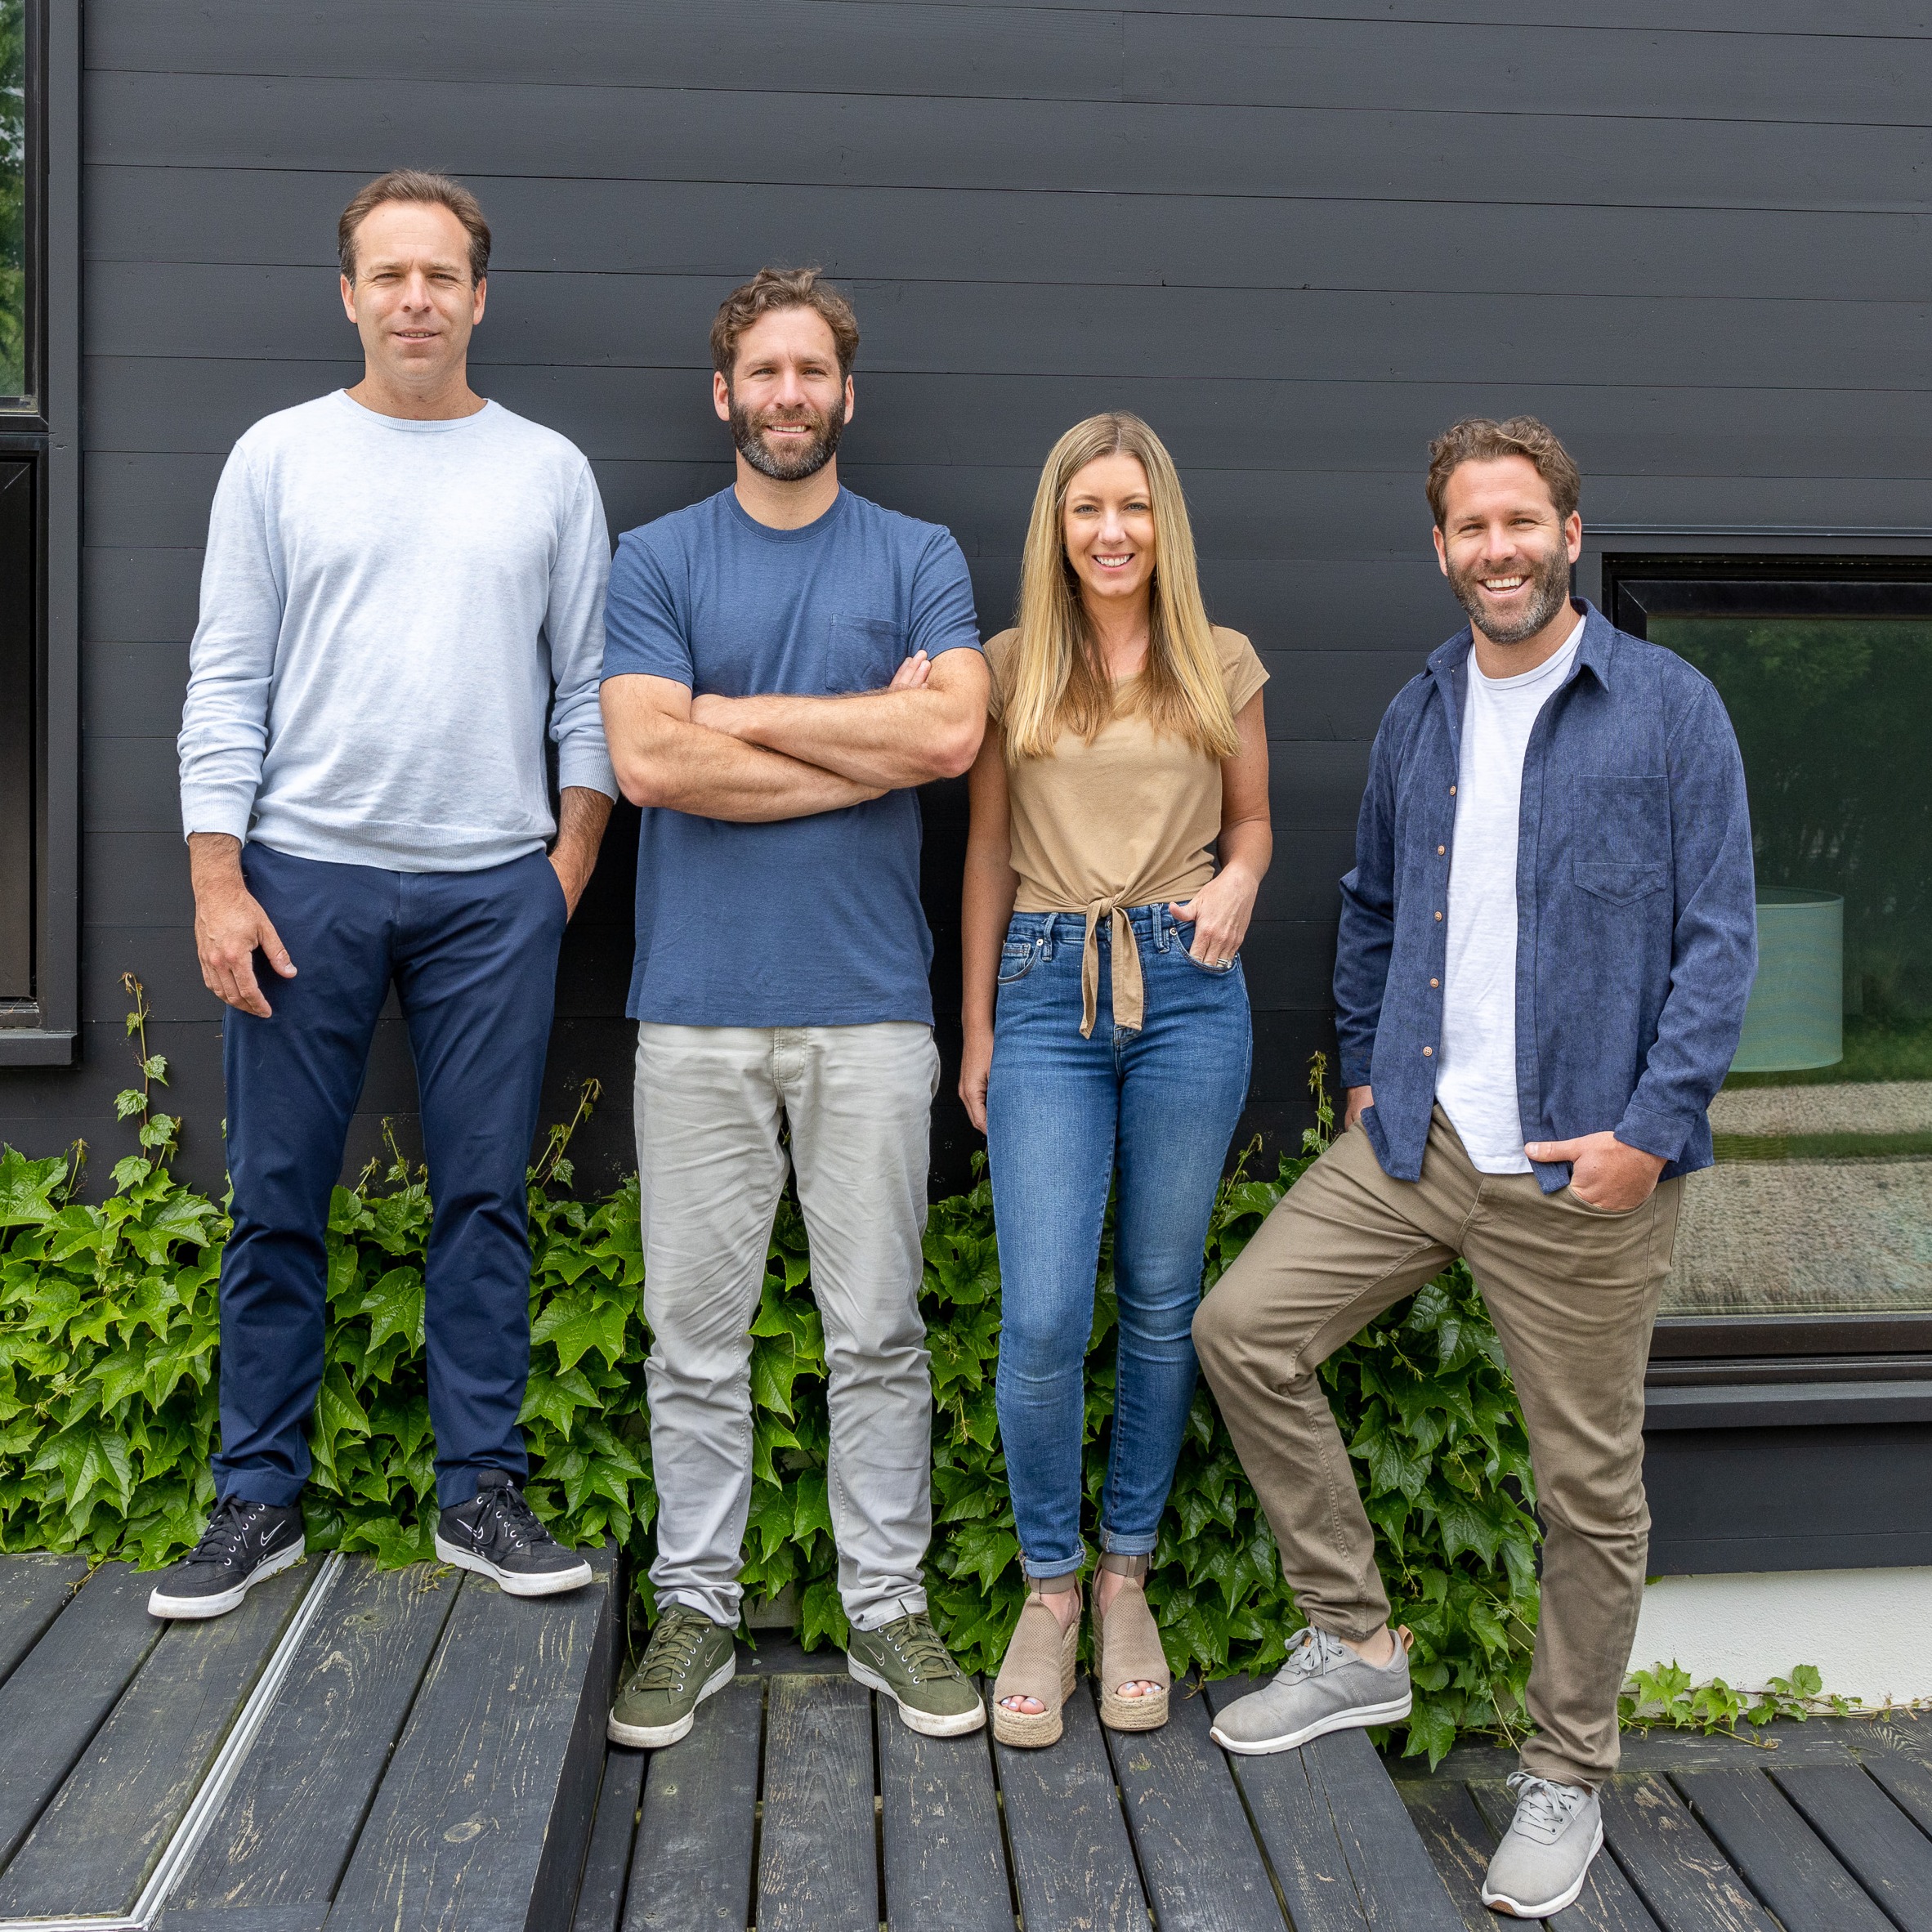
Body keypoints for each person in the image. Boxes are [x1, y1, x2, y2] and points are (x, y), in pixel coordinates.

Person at [1193, 417, 1755, 1917]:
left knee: (1590, 1494)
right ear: (1439, 548)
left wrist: (1648, 1133)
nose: (1497, 550)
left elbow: (1720, 943)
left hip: (1583, 1171)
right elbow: (1374, 903)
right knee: (1242, 1331)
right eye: (1469, 527)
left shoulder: (1669, 709)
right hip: (1422, 1143)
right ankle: (1356, 1641)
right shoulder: (1423, 710)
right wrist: (1374, 1074)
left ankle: (1566, 1774)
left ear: (1570, 533)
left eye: (1521, 522)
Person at [156, 171, 614, 1620]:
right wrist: (218, 878)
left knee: (484, 1199)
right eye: (390, 275)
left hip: (493, 891)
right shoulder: (279, 458)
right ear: (349, 294)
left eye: (442, 275)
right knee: (275, 1199)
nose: (417, 299)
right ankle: (255, 1499)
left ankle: (481, 1490)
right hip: (303, 878)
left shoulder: (548, 471)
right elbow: (225, 678)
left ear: (481, 297)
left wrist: (564, 870)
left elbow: (588, 692)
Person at [598, 267, 991, 1748]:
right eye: (763, 371)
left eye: (811, 371)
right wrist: (864, 740)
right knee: (691, 1341)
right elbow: (649, 765)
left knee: (877, 1331)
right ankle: (695, 1611)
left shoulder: (916, 553)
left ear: (846, 394)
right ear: (725, 393)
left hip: (871, 1008)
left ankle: (887, 1606)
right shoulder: (657, 559)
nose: (787, 395)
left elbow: (951, 734)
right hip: (696, 1008)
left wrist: (733, 714)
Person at [959, 414, 1272, 1748]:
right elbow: (986, 851)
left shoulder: (1222, 659)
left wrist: (1243, 879)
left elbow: (1251, 822)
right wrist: (977, 1027)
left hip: (1189, 985)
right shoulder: (1008, 667)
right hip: (1045, 985)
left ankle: (1125, 1575)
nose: (1111, 531)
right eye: (1087, 507)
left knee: (1158, 1300)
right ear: (1056, 524)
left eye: (1133, 507)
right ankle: (1049, 1587)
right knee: (1041, 1315)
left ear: (1164, 522)